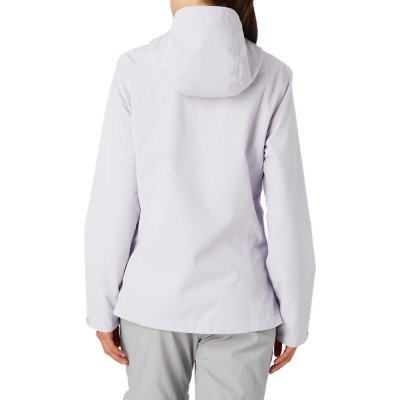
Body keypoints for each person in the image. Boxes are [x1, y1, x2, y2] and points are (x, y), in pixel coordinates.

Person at [84, 0, 316, 398]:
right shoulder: (273, 76)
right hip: (241, 304)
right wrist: (295, 317)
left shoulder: (136, 69)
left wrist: (100, 306)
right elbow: (288, 214)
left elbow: (113, 203)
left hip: (153, 300)